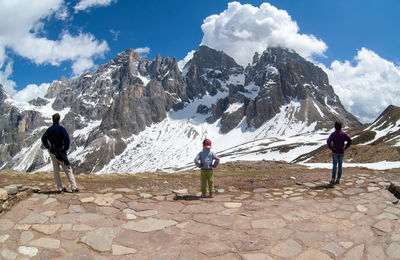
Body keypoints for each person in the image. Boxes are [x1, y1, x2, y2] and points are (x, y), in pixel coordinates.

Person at [41, 113, 79, 193]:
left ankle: (60, 187)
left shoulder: (49, 130)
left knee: (56, 170)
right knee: (68, 169)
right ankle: (74, 187)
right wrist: (65, 148)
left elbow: (43, 138)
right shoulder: (61, 129)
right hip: (60, 152)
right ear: (59, 120)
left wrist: (48, 147)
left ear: (53, 120)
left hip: (52, 152)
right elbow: (67, 139)